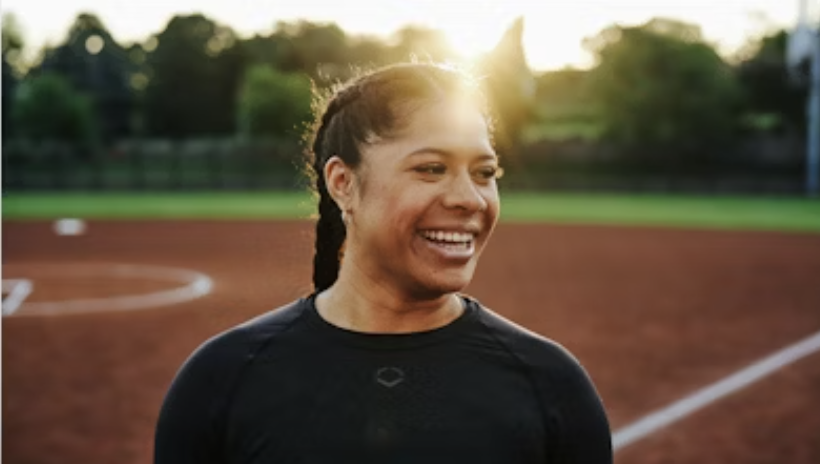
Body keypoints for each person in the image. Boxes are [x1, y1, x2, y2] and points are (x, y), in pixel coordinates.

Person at [154, 62, 612, 464]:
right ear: (342, 183)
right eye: (431, 168)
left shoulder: (551, 386)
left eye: (485, 173)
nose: (470, 199)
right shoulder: (224, 381)